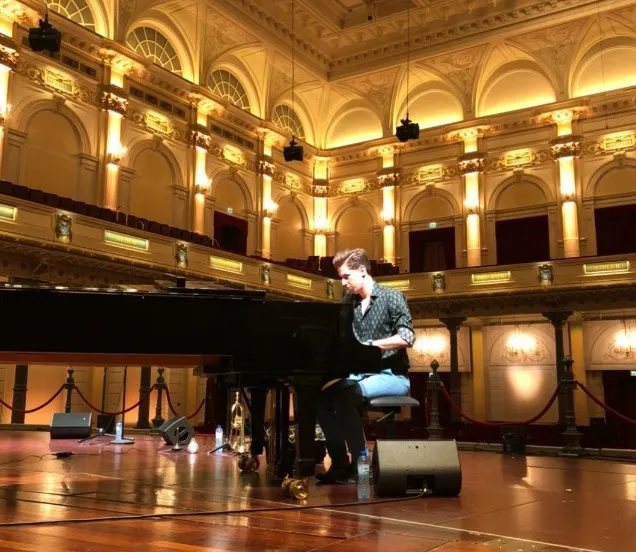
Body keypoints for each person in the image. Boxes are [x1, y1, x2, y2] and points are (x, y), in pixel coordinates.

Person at [316, 248, 415, 484]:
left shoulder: (392, 297)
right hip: (358, 375)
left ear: (362, 271)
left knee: (345, 395)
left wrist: (370, 345)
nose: (343, 283)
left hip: (392, 376)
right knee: (319, 398)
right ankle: (340, 463)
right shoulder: (348, 302)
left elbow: (407, 337)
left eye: (346, 276)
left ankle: (362, 465)